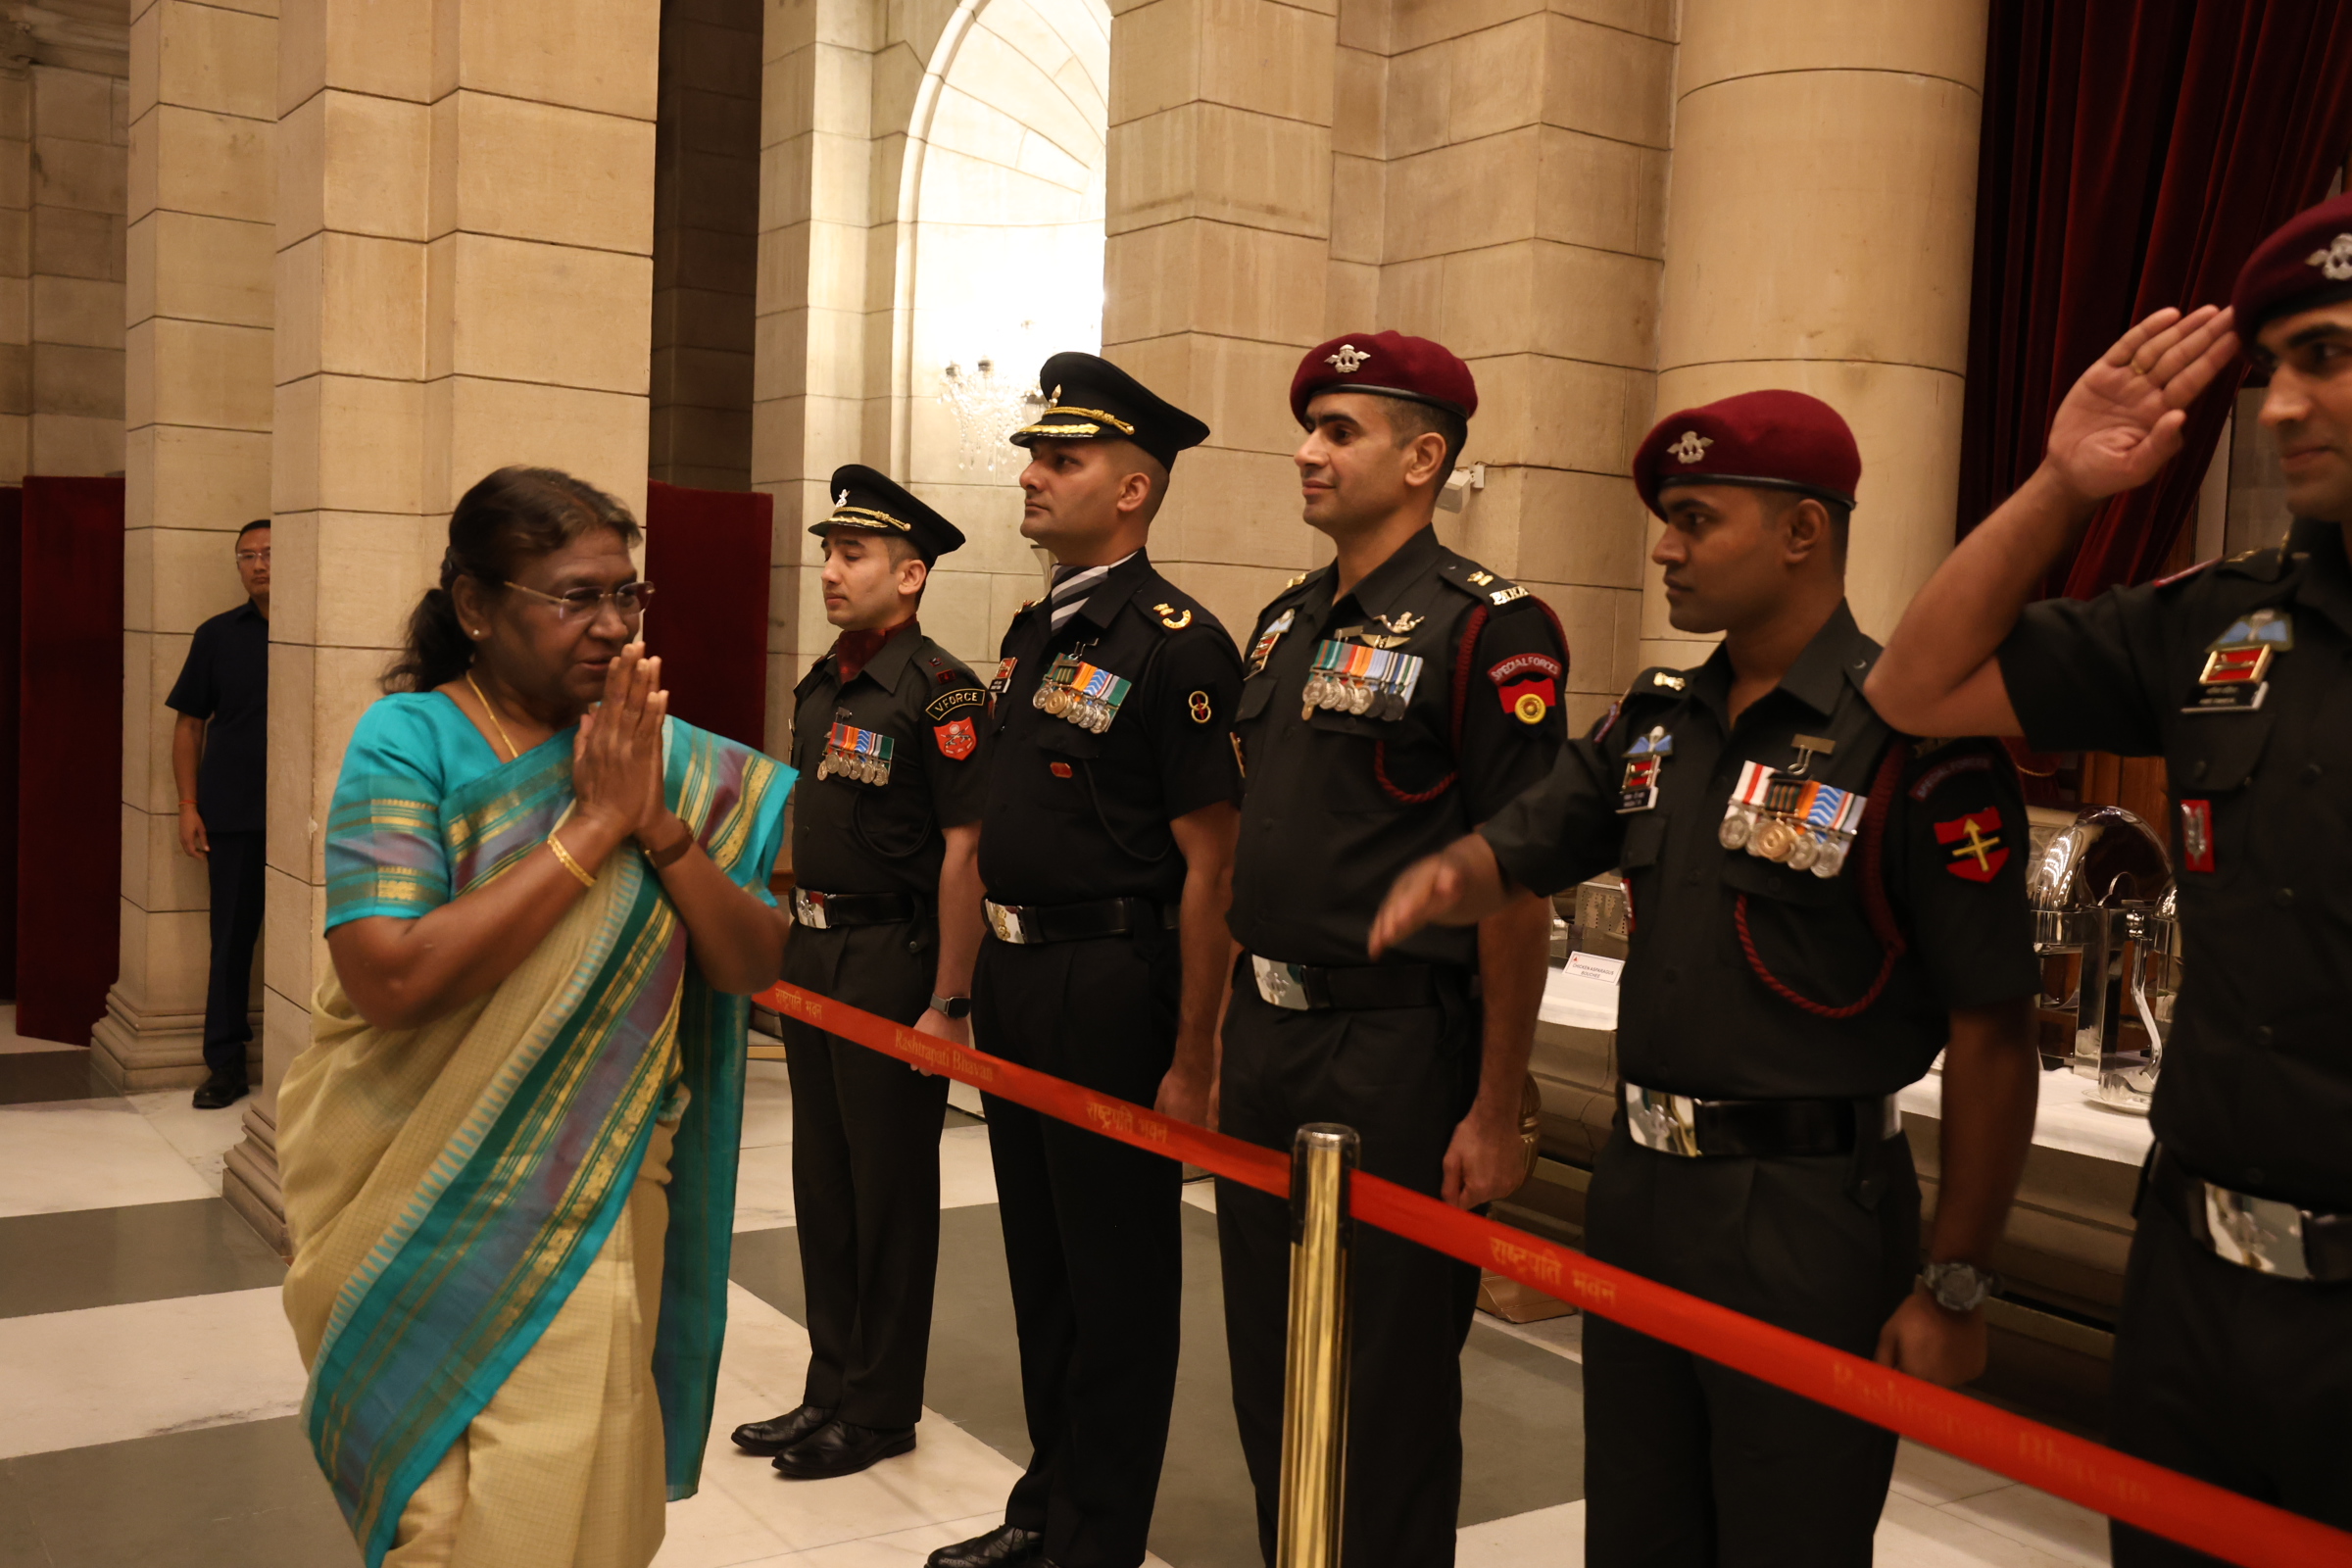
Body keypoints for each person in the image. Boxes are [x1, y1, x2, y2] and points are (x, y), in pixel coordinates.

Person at [1372, 391, 2044, 1567]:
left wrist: (1955, 1281)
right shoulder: (1658, 722)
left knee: (1789, 1538)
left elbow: (1994, 1031)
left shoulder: (1912, 738)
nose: (1664, 550)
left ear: (1802, 532)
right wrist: (1449, 875)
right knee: (1637, 1528)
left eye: (1695, 519)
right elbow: (1530, 839)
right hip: (1642, 1190)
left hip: (1806, 1209)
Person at [1865, 197, 2352, 1563]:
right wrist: (2064, 485)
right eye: (2271, 368)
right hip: (2197, 1288)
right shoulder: (2223, 619)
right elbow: (1914, 687)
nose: (2279, 406)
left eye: (2326, 356)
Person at [275, 466, 794, 1568]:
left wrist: (657, 825)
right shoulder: (409, 740)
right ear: (475, 605)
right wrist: (593, 827)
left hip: (596, 1191)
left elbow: (753, 963)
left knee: (572, 1495)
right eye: (575, 597)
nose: (611, 625)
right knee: (445, 1518)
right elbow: (389, 979)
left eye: (626, 594)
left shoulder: (664, 758)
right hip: (424, 1195)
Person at [1215, 330, 1567, 1567]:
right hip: (1268, 1035)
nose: (1307, 453)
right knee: (1270, 1362)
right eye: (1308, 429)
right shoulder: (1283, 623)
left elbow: (1517, 887)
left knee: (1388, 1383)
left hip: (1396, 1047)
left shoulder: (1488, 630)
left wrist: (1496, 1103)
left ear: (1424, 459)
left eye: (1340, 431)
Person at [925, 353, 1242, 1568]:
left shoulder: (1177, 644)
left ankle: (1098, 1538)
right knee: (1043, 1266)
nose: (1032, 475)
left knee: (1116, 1282)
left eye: (1063, 459)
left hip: (1111, 983)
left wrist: (1195, 1055)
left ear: (1134, 490)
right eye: (1037, 455)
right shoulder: (1035, 628)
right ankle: (1045, 1506)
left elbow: (1213, 868)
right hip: (1021, 977)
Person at [729, 466, 987, 1481]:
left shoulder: (940, 690)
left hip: (891, 957)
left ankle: (880, 1407)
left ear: (910, 574)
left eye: (854, 554)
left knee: (889, 1192)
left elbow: (967, 852)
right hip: (815, 948)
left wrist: (949, 1001)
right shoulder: (825, 683)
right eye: (828, 553)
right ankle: (830, 1384)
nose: (831, 571)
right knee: (825, 1181)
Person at [167, 518, 271, 1109]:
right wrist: (188, 805)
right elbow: (188, 725)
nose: (258, 565)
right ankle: (226, 1063)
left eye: (269, 553)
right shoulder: (217, 635)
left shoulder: (320, 632)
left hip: (315, 813)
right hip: (233, 811)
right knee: (230, 939)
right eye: (246, 556)